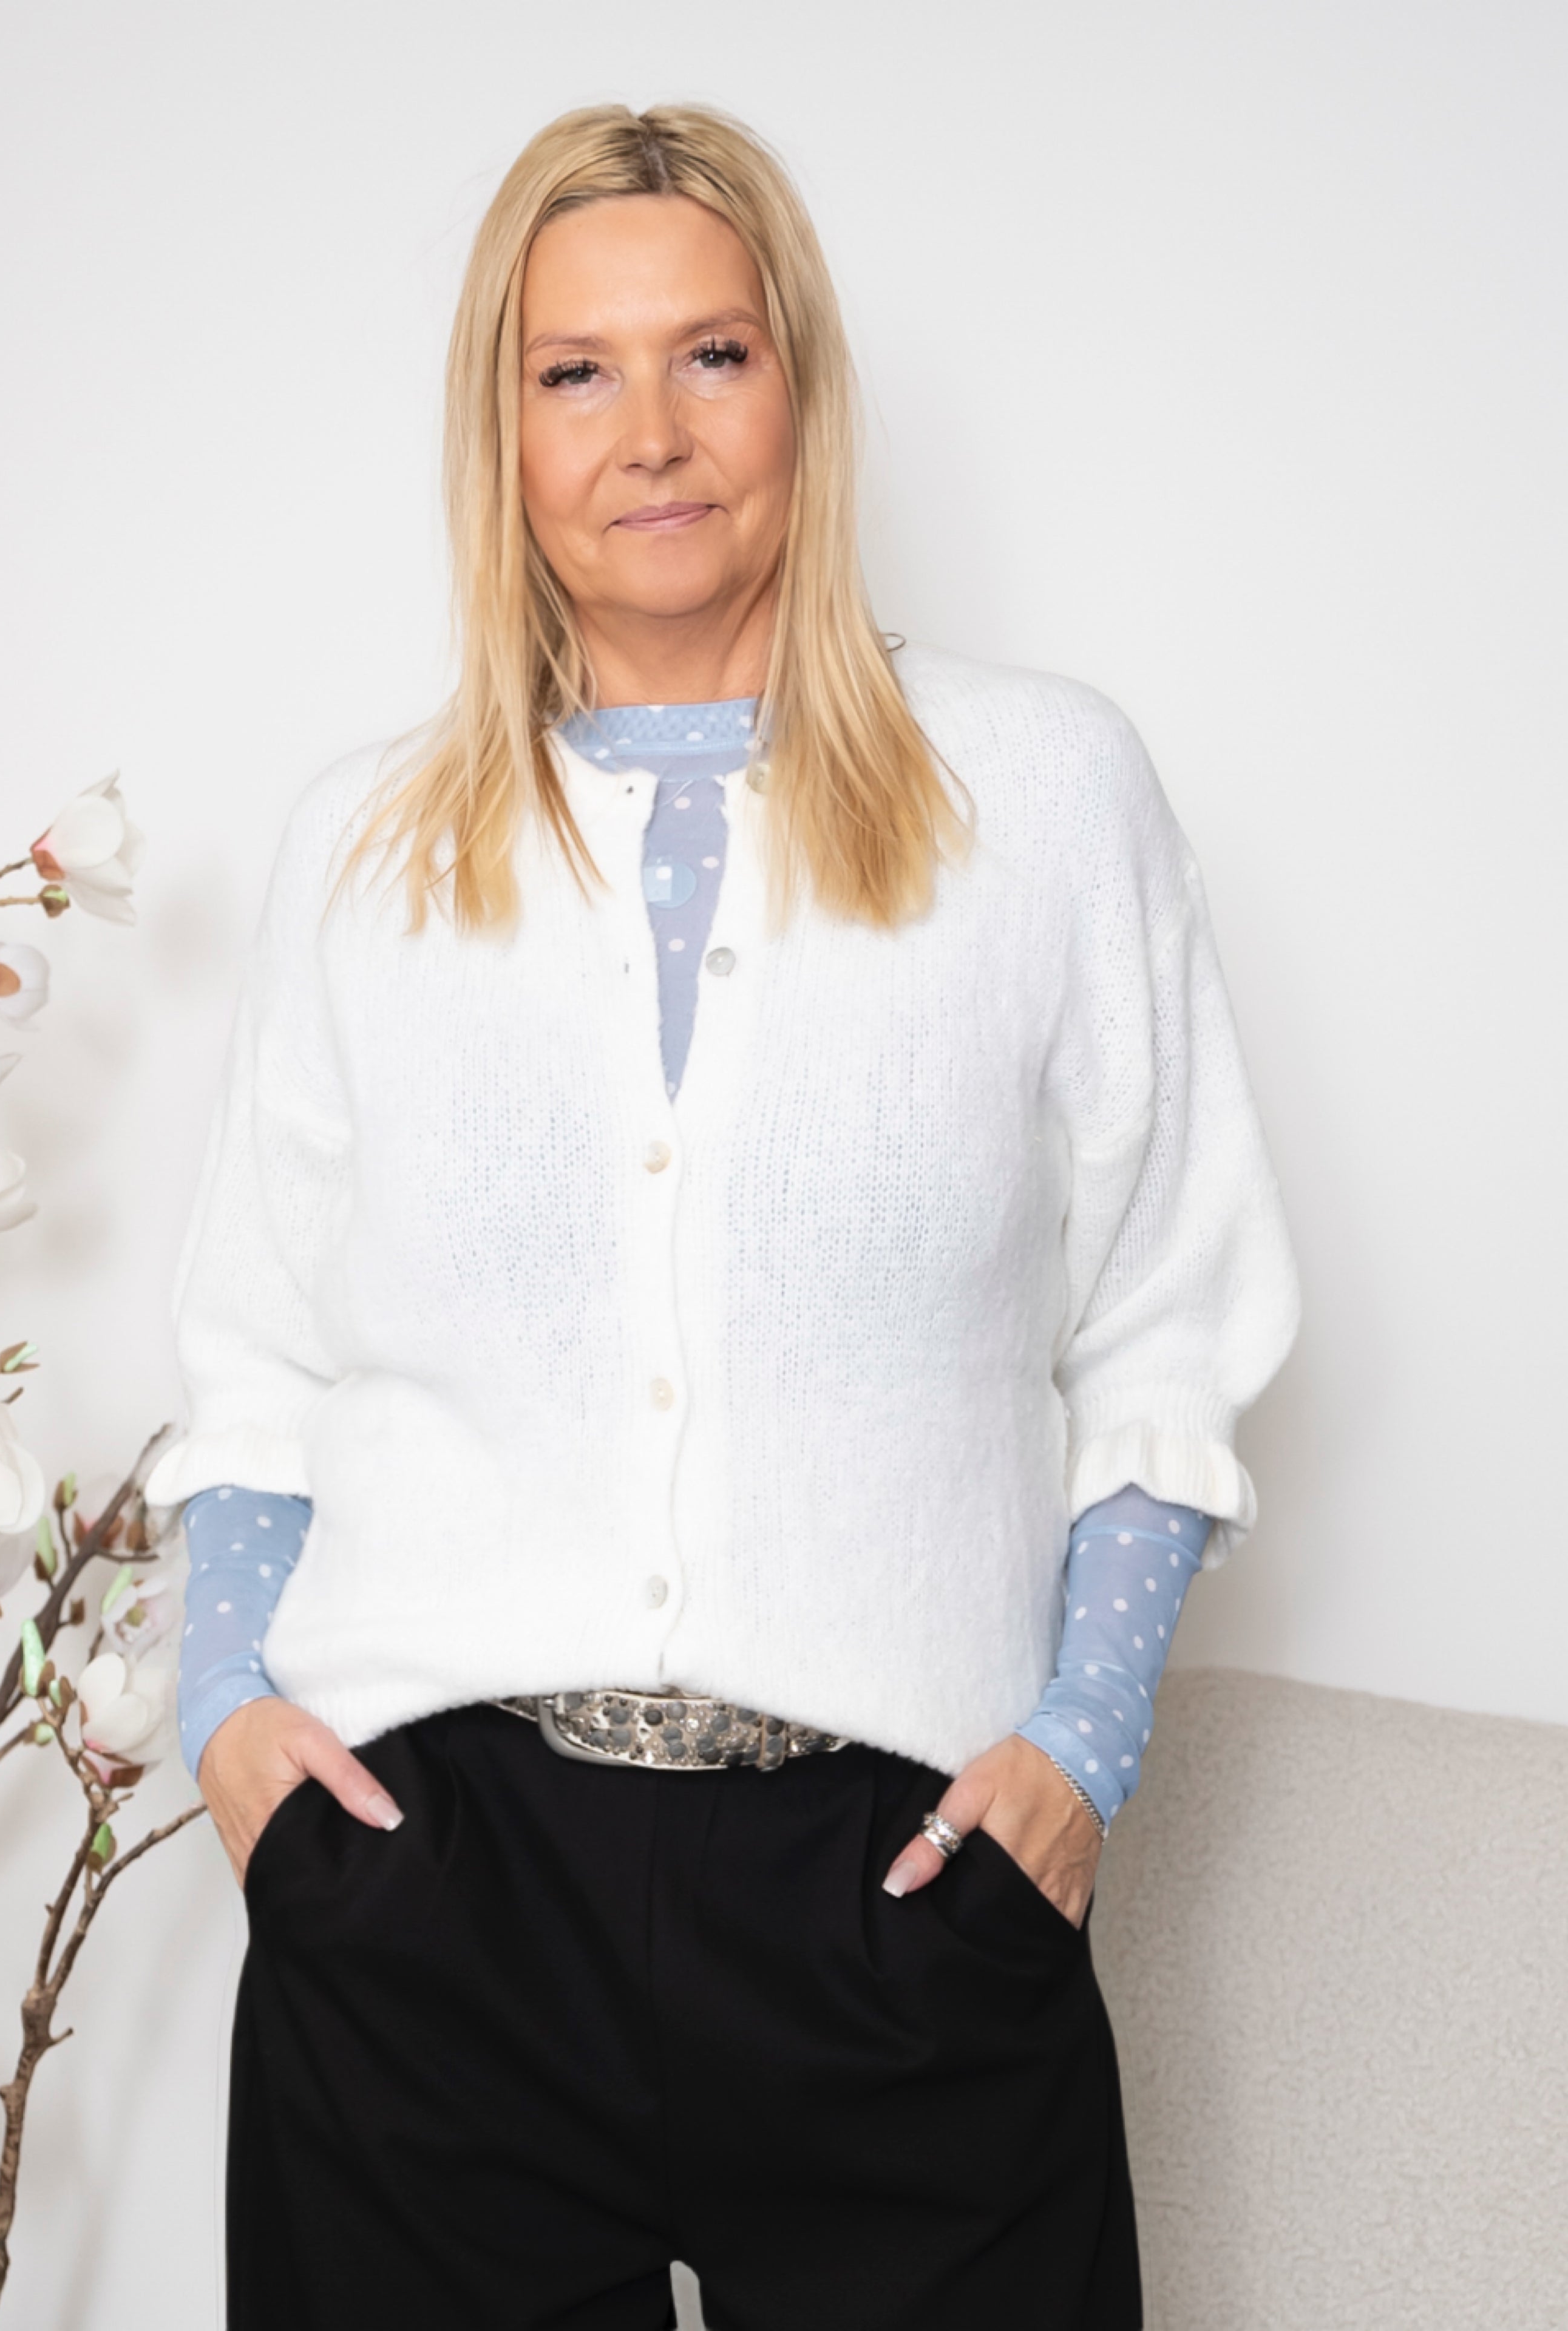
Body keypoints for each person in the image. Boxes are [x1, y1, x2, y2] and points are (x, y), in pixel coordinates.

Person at [145, 101, 1300, 2331]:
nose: (650, 435)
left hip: (904, 1902)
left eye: (714, 355)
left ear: (803, 390)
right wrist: (230, 1730)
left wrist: (1080, 1756)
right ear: (500, 430)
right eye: (574, 371)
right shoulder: (363, 849)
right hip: (431, 1909)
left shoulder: (1046, 795)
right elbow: (258, 1354)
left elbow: (1170, 1317)